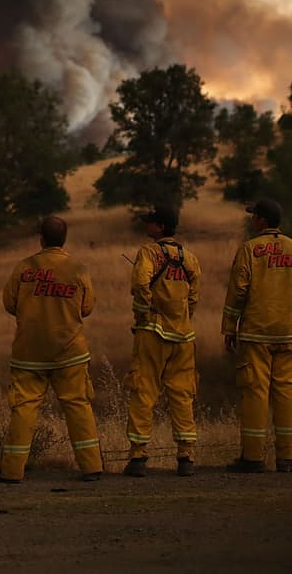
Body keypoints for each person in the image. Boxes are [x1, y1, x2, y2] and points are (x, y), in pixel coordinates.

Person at [0, 215, 103, 483]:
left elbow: (10, 304)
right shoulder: (78, 268)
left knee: (24, 409)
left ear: (40, 239)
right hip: (70, 353)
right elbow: (87, 308)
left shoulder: (24, 267)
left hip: (28, 354)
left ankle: (11, 472)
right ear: (63, 239)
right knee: (78, 406)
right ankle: (91, 468)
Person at [222, 197, 292, 473]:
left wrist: (229, 327)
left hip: (256, 333)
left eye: (253, 216)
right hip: (288, 332)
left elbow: (238, 291)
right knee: (286, 392)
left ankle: (253, 458)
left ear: (261, 220)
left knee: (256, 391)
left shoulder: (250, 250)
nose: (251, 220)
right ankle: (286, 459)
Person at [123, 205, 202, 478]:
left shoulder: (148, 252)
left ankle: (138, 458)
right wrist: (183, 316)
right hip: (184, 336)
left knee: (144, 391)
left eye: (151, 223)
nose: (147, 226)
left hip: (153, 333)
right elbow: (193, 296)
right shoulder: (189, 258)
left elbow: (139, 284)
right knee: (182, 396)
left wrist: (146, 312)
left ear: (160, 227)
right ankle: (186, 457)